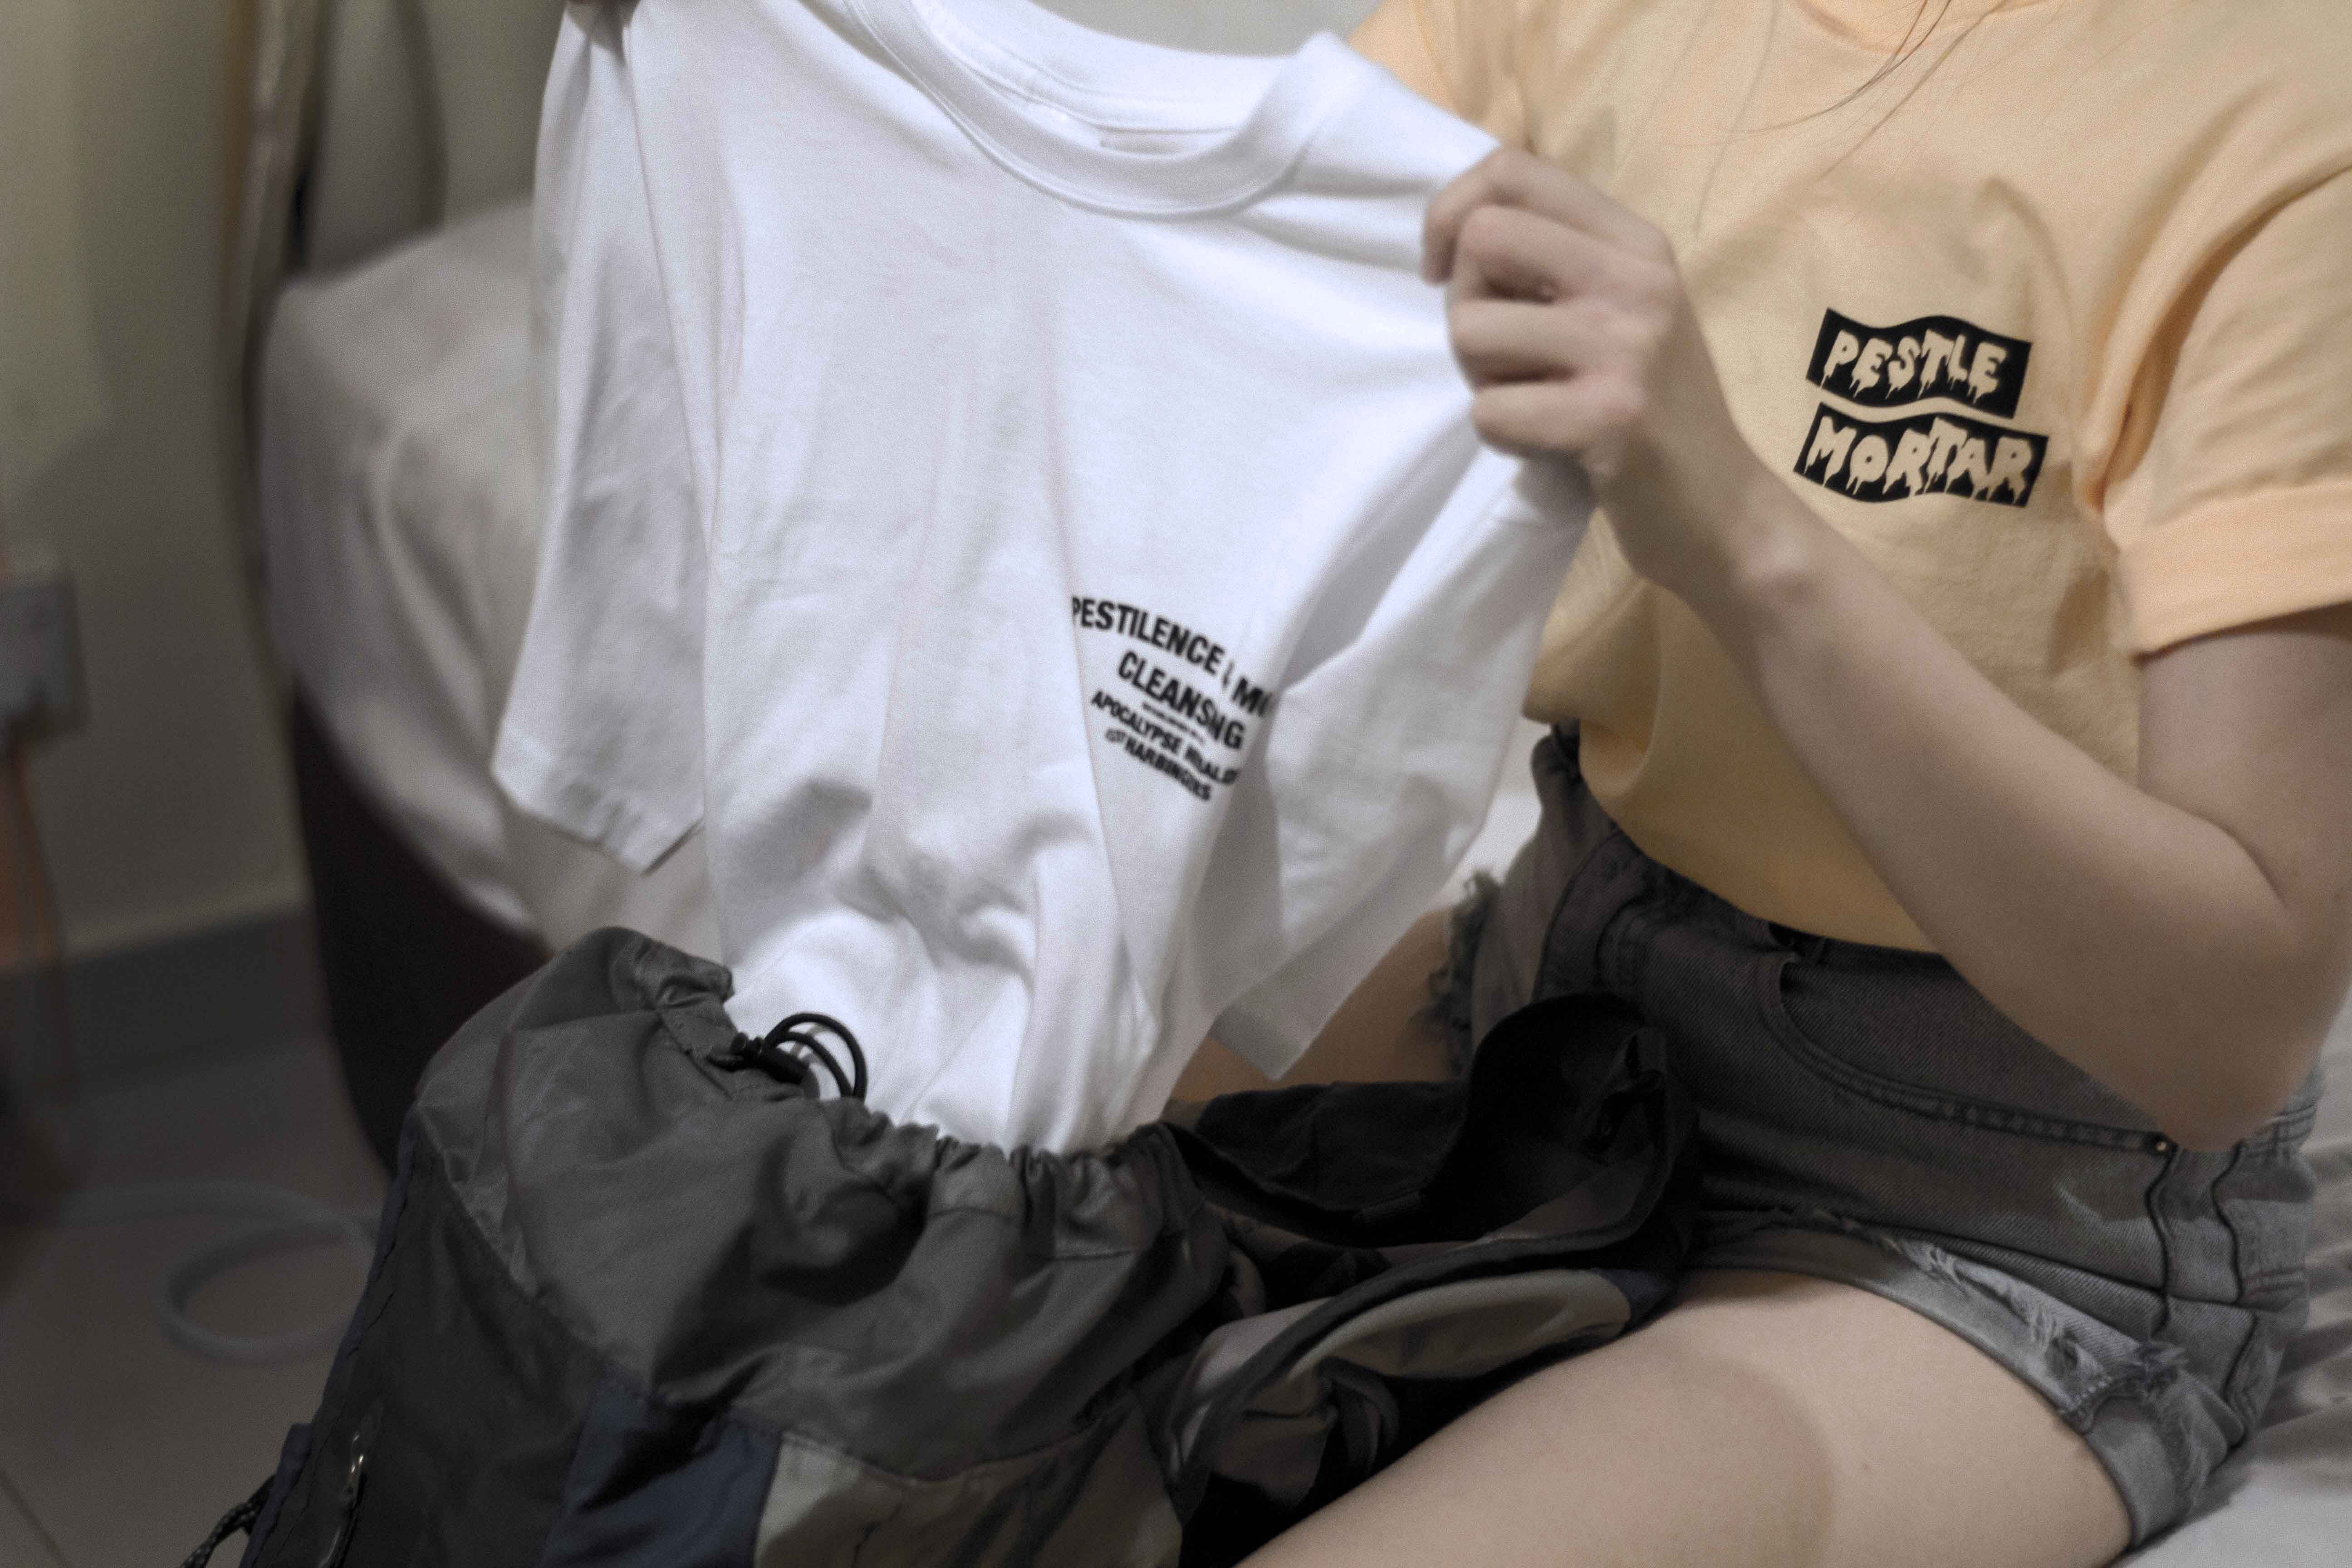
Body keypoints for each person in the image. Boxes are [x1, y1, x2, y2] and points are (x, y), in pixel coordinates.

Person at [1171, 1, 2352, 1563]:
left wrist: (1739, 537)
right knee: (886, 1261)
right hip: (1552, 994)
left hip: (1992, 1201)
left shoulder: (2291, 128)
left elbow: (2227, 1033)